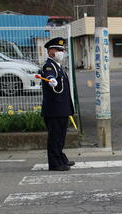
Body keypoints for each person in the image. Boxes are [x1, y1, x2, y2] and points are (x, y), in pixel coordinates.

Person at [41, 37, 75, 171]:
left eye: (63, 50)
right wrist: (51, 80)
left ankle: (61, 158)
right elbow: (49, 75)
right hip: (54, 108)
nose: (61, 52)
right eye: (58, 49)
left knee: (60, 136)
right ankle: (55, 163)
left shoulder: (58, 65)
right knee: (55, 137)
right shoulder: (49, 65)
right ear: (50, 51)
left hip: (61, 108)